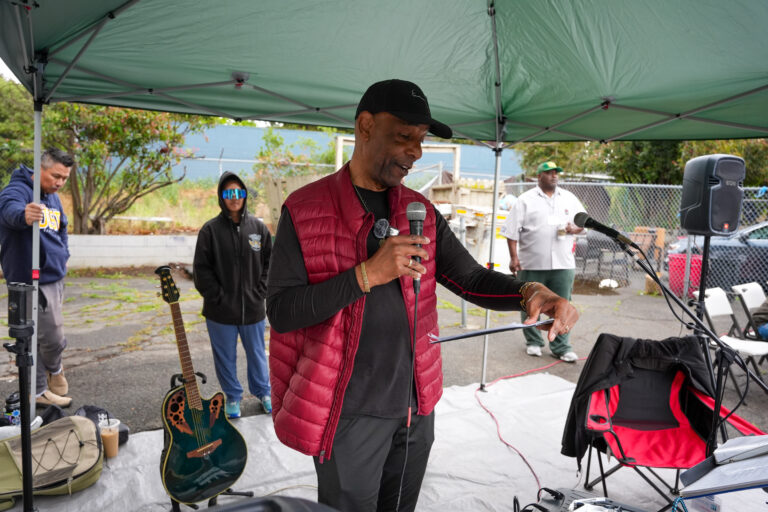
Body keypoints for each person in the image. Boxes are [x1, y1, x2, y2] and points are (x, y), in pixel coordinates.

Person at [266, 79, 580, 512]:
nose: (415, 151)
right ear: (365, 126)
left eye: (421, 139)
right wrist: (366, 274)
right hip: (347, 411)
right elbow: (282, 311)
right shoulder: (305, 209)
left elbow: (469, 277)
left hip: (415, 406)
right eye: (404, 137)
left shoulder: (420, 210)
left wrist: (528, 291)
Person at [193, 172, 272, 419]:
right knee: (225, 358)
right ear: (221, 197)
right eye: (229, 193)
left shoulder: (258, 228)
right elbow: (201, 270)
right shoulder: (210, 231)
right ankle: (233, 397)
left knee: (257, 355)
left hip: (253, 308)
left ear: (245, 195)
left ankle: (264, 393)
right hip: (220, 312)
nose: (235, 197)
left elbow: (271, 263)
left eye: (239, 192)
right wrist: (217, 296)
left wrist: (261, 291)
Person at [0, 148, 75, 408]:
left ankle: (40, 390)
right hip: (29, 280)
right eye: (56, 176)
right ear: (39, 169)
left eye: (64, 178)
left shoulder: (52, 196)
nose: (60, 183)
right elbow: (8, 210)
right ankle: (54, 370)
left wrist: (64, 254)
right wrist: (23, 215)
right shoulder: (17, 190)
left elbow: (62, 226)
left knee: (43, 336)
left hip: (55, 274)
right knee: (50, 336)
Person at [501, 161, 585, 363]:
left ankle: (561, 346)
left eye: (556, 173)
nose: (554, 176)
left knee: (563, 305)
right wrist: (514, 258)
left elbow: (583, 224)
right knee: (530, 303)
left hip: (563, 264)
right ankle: (533, 341)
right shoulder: (525, 200)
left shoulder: (569, 198)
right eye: (549, 173)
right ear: (539, 176)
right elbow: (511, 232)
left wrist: (575, 229)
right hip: (532, 263)